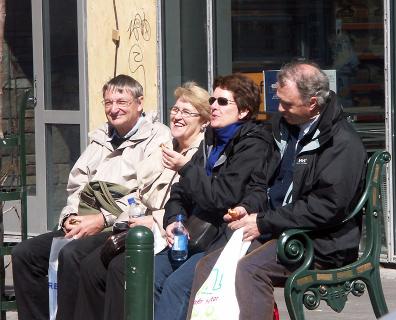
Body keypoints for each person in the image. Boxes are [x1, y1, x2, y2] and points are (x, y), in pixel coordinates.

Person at [186, 61, 367, 320]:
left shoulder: (341, 143)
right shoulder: (282, 128)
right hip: (278, 228)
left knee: (249, 270)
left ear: (313, 103)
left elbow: (326, 207)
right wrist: (248, 207)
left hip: (320, 240)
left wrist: (263, 222)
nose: (280, 109)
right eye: (279, 101)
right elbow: (262, 182)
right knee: (208, 266)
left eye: (288, 104)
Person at [11, 74, 171, 320]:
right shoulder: (101, 138)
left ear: (139, 103)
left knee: (72, 254)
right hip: (86, 222)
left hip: (121, 226)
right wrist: (70, 216)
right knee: (25, 254)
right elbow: (77, 184)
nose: (113, 109)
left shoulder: (157, 139)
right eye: (108, 103)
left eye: (121, 102)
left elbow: (146, 196)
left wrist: (103, 219)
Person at [72, 81, 211, 320]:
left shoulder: (202, 155)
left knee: (119, 268)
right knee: (89, 264)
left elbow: (191, 203)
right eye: (175, 110)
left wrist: (153, 220)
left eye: (186, 112)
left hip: (168, 233)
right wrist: (120, 217)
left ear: (204, 121)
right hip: (135, 226)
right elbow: (138, 193)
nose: (177, 117)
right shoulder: (164, 148)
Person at [154, 73, 273, 320]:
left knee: (178, 286)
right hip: (195, 232)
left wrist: (185, 167)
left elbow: (223, 197)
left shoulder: (254, 144)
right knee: (150, 273)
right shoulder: (211, 139)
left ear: (243, 112)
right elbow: (180, 191)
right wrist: (174, 219)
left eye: (222, 102)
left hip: (225, 236)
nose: (214, 107)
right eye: (212, 100)